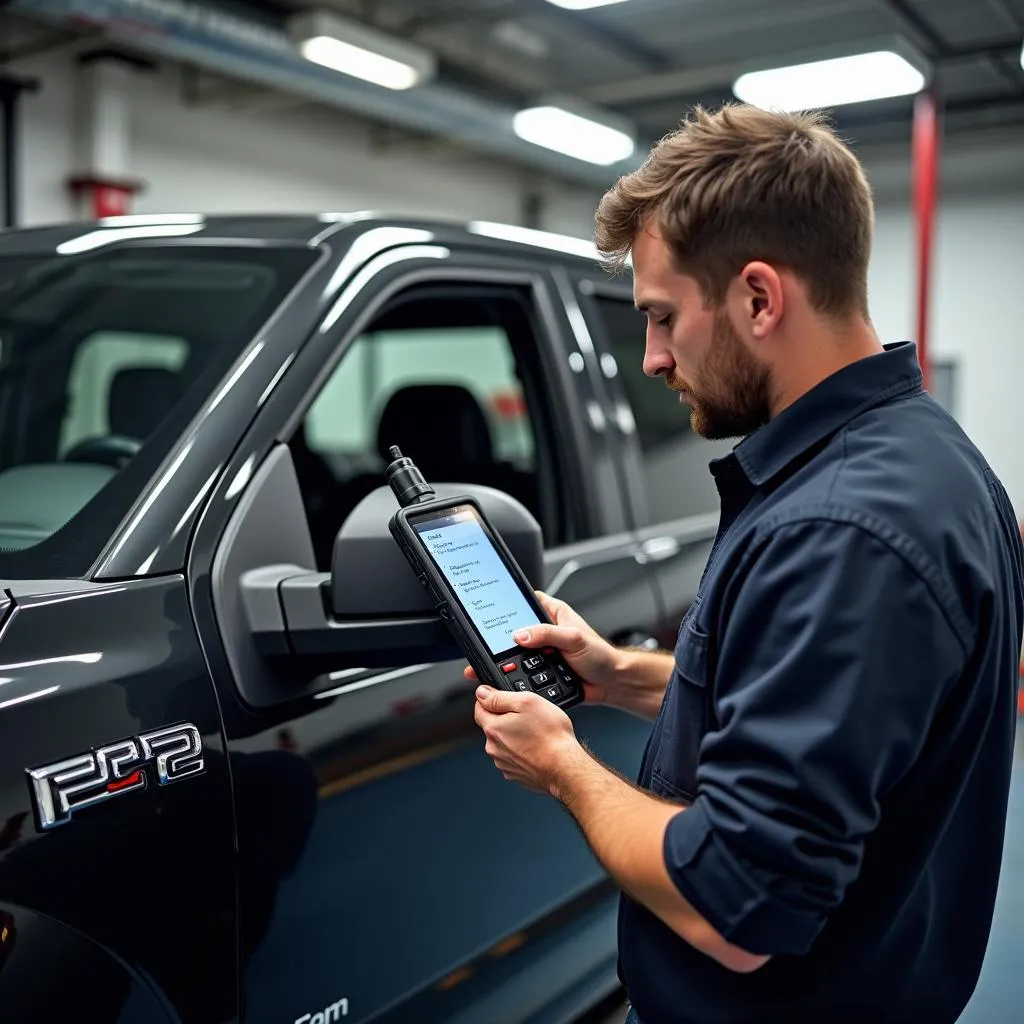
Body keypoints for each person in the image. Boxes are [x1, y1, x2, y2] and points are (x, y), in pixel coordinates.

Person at [467, 104, 1024, 1024]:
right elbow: (814, 707)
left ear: (760, 298)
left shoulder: (843, 530)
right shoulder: (919, 458)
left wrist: (563, 764)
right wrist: (616, 678)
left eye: (660, 317)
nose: (651, 357)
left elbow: (737, 902)